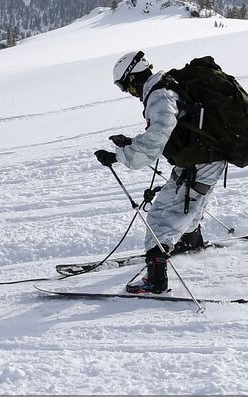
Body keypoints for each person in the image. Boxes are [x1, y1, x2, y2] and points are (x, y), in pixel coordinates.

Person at [94, 50, 224, 294]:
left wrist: (118, 156)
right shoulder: (165, 87)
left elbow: (159, 134)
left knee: (160, 217)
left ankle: (156, 281)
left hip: (200, 162)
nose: (127, 92)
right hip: (202, 159)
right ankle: (190, 242)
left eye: (125, 86)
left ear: (133, 78)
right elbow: (172, 129)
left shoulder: (159, 95)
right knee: (187, 204)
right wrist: (131, 142)